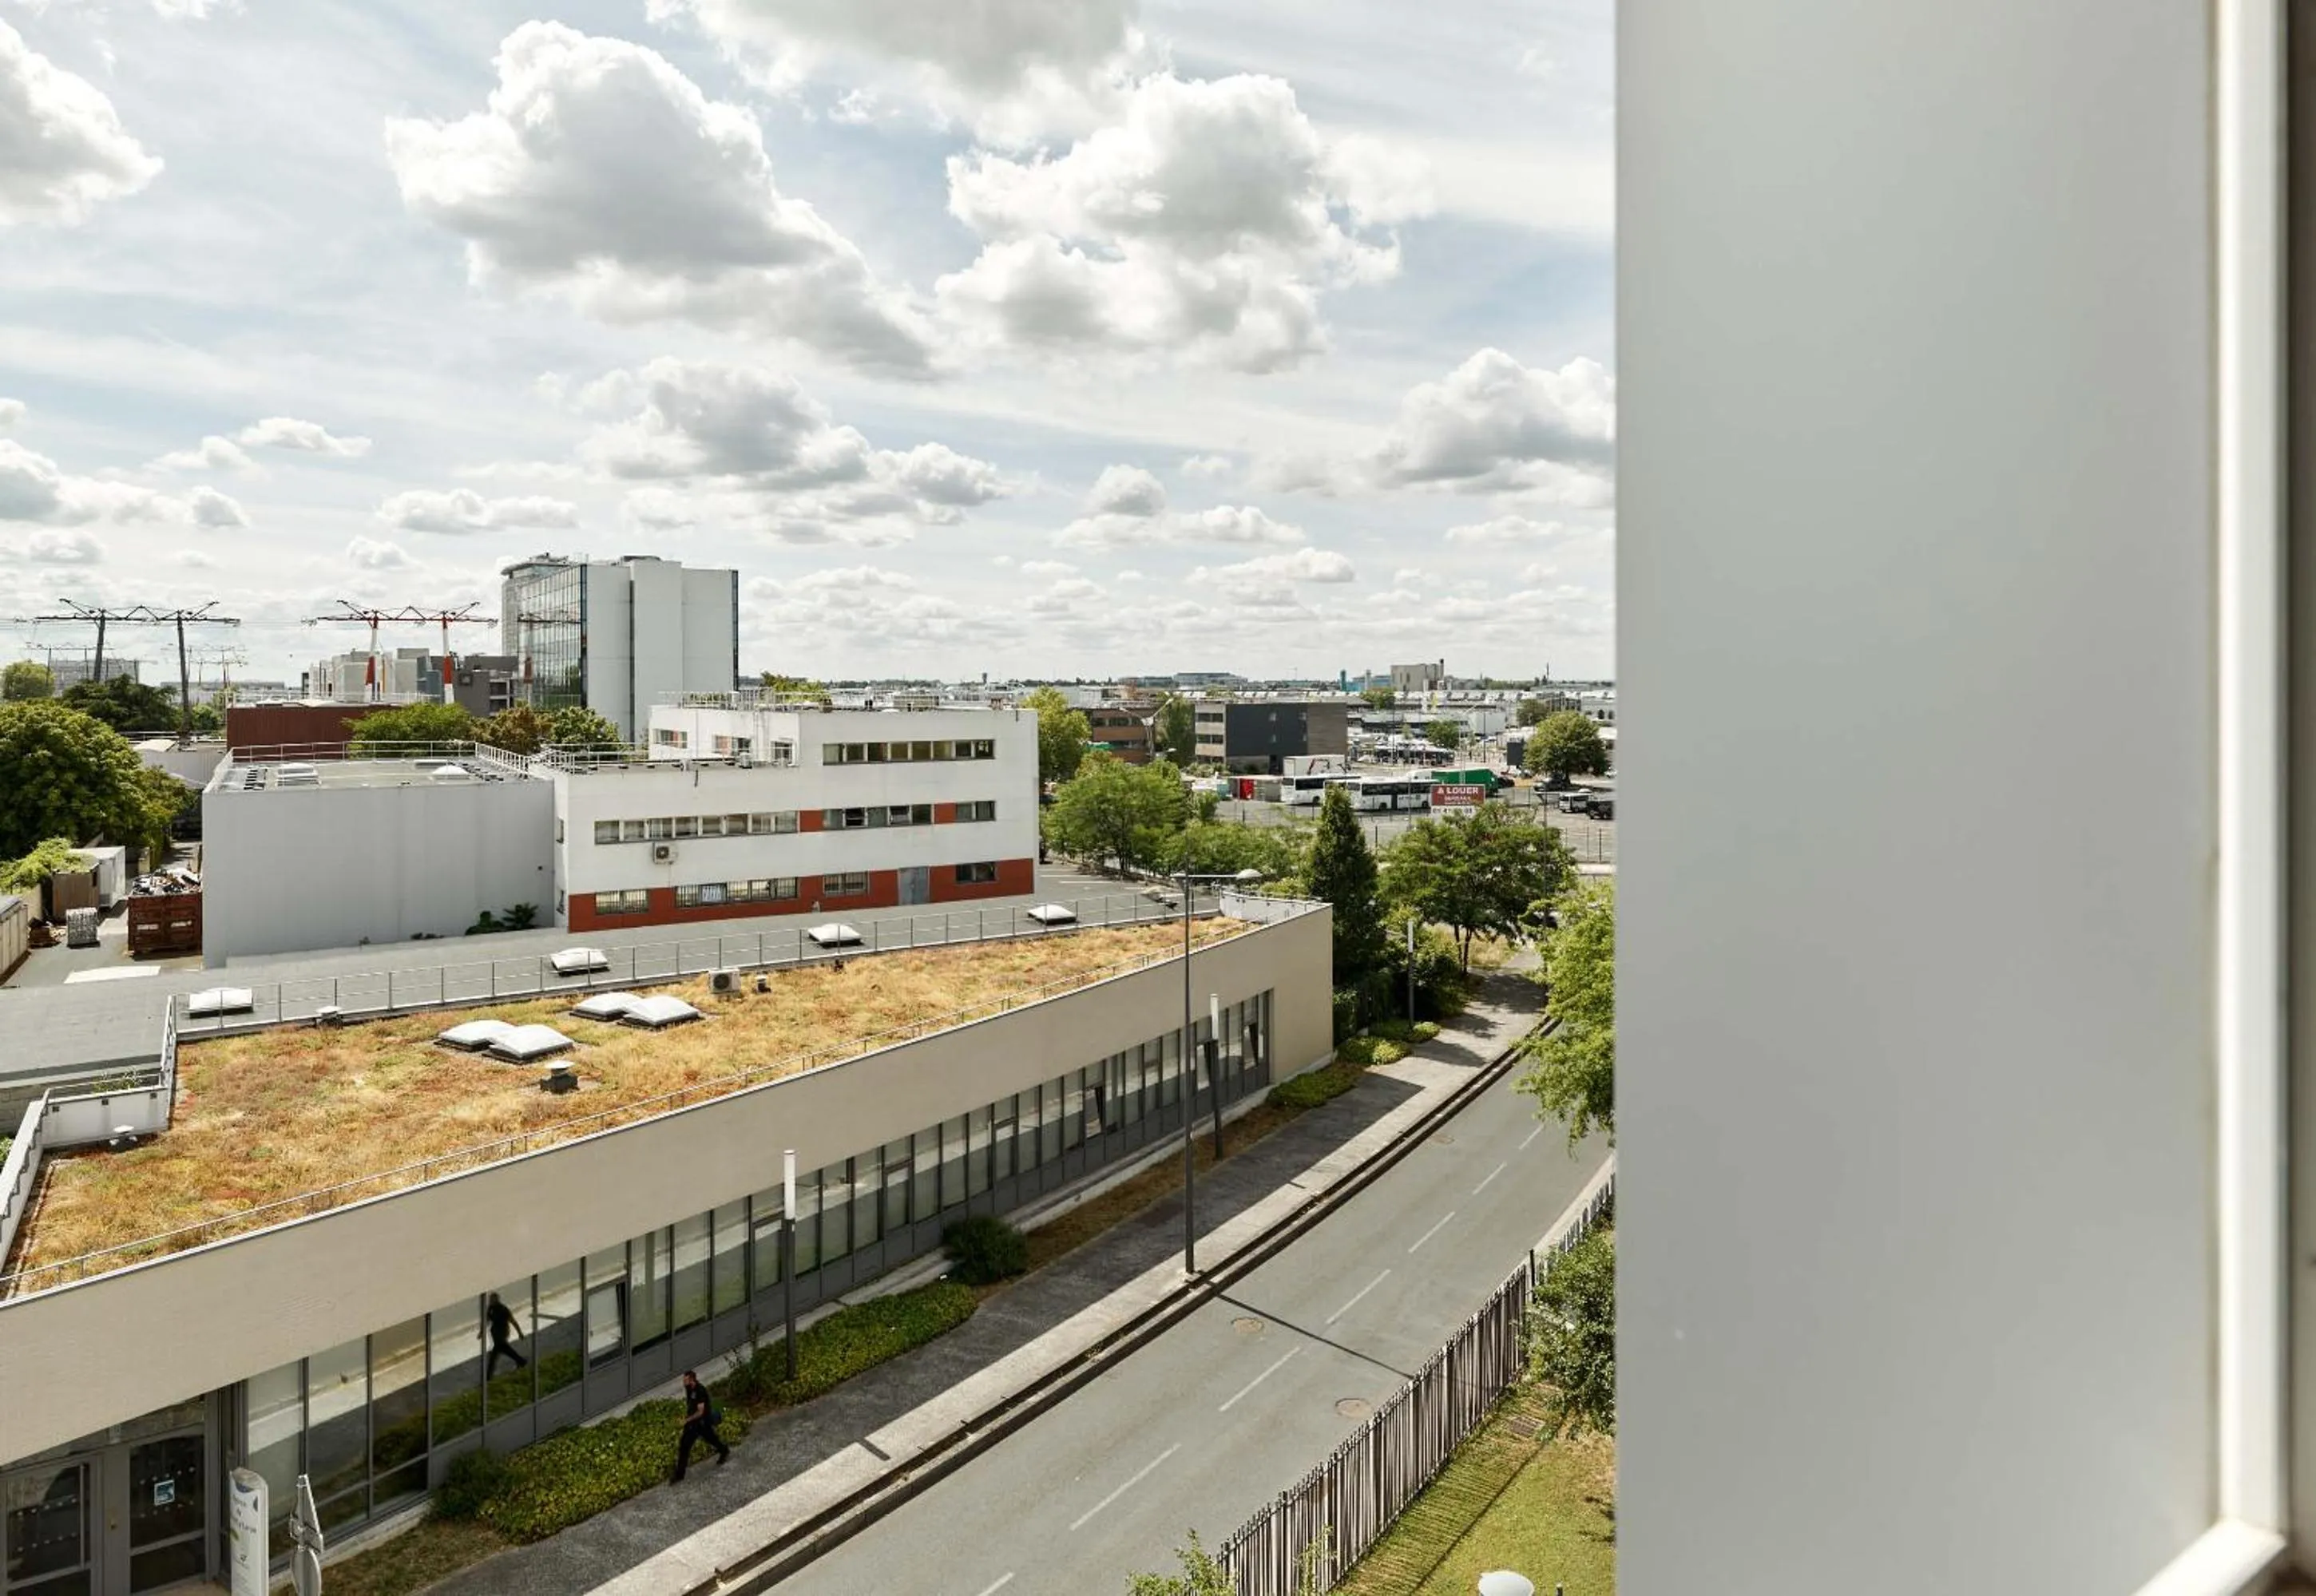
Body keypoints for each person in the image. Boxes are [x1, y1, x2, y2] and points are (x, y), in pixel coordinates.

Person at [672, 1370, 728, 1479]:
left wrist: (687, 1420)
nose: (684, 1382)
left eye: (686, 1380)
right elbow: (691, 1405)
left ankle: (724, 1450)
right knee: (684, 1446)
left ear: (692, 1380)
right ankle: (680, 1474)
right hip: (693, 1424)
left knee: (711, 1439)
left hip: (701, 1423)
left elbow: (700, 1411)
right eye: (684, 1380)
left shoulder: (700, 1391)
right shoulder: (689, 1389)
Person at [485, 1293, 527, 1380]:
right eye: (490, 1299)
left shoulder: (503, 1309)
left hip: (502, 1333)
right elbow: (487, 1320)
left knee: (495, 1355)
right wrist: (482, 1332)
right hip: (496, 1335)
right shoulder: (490, 1308)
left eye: (492, 1299)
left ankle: (488, 1378)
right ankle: (521, 1361)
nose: (490, 1301)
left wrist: (520, 1333)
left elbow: (513, 1321)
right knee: (506, 1350)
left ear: (497, 1300)